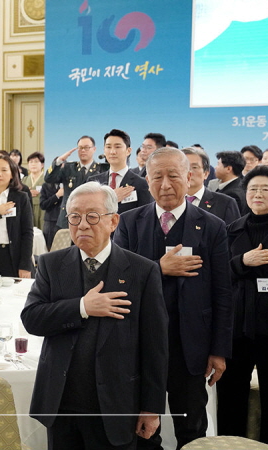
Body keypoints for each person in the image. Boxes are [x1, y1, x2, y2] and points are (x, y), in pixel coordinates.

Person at [21, 181, 168, 450]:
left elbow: (155, 347)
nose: (83, 225)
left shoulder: (141, 271)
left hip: (117, 403)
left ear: (113, 221)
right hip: (63, 402)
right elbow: (31, 318)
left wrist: (151, 407)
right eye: (75, 217)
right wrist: (82, 307)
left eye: (92, 216)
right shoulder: (52, 264)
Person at [114, 147, 232, 449]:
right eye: (157, 177)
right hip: (140, 344)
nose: (165, 184)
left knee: (191, 428)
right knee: (141, 430)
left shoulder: (212, 227)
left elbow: (222, 293)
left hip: (190, 346)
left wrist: (219, 350)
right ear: (146, 180)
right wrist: (158, 268)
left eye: (173, 176)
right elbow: (117, 282)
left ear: (189, 177)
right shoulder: (128, 223)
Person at [220, 165, 268, 445]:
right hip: (236, 325)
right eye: (253, 188)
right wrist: (243, 262)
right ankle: (231, 444)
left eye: (266, 189)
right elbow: (217, 274)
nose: (258, 194)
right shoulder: (230, 230)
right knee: (231, 395)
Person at [44, 135, 108, 228]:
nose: (83, 150)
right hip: (68, 218)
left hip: (92, 219)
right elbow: (49, 178)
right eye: (80, 148)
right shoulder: (68, 168)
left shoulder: (101, 169)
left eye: (86, 147)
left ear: (94, 149)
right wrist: (59, 161)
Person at [87, 129, 152, 214]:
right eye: (108, 147)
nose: (112, 152)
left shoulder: (141, 184)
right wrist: (112, 198)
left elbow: (146, 216)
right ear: (104, 150)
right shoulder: (92, 182)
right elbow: (86, 210)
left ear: (128, 151)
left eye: (117, 147)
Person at [180, 147, 240, 226]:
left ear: (206, 173)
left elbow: (233, 236)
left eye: (194, 167)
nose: (189, 172)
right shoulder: (165, 201)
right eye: (184, 167)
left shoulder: (225, 203)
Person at [214, 150, 249, 215]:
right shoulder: (240, 184)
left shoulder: (232, 194)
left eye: (218, 164)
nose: (215, 167)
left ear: (228, 169)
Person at [22, 152, 45, 229]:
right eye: (31, 162)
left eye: (36, 162)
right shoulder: (24, 180)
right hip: (28, 208)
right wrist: (27, 193)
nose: (33, 164)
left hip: (42, 210)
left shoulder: (47, 180)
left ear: (42, 165)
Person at [39, 181, 64, 250]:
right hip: (50, 221)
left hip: (65, 220)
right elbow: (43, 205)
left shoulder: (69, 184)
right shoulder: (46, 186)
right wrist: (57, 196)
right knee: (49, 247)